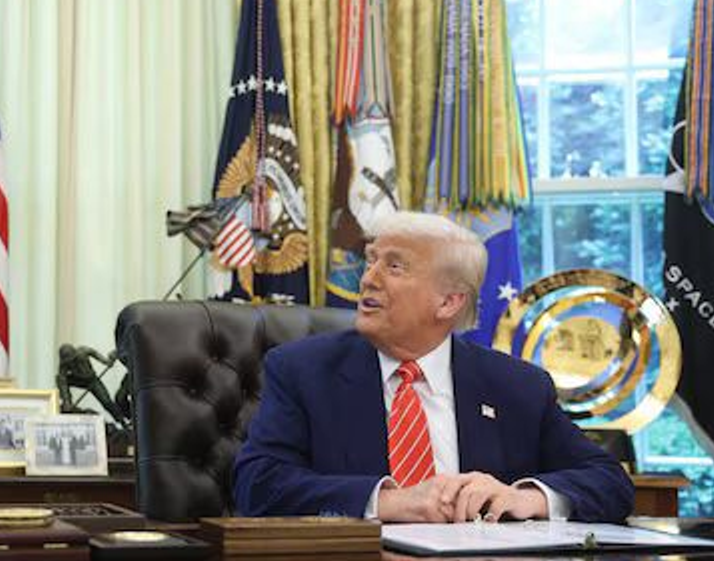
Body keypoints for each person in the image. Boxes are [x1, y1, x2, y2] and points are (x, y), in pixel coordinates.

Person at [232, 211, 634, 523]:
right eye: (371, 261)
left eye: (394, 267)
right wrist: (391, 502)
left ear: (448, 302)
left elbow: (609, 481)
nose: (368, 278)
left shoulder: (517, 386)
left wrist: (524, 498)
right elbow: (257, 485)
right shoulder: (304, 371)